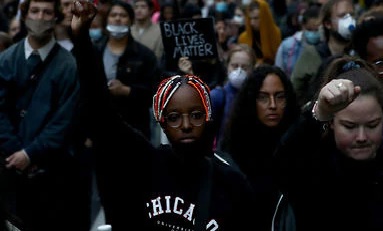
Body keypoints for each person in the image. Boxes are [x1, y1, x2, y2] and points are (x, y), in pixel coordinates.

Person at [70, 1, 258, 230]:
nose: (186, 125)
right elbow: (101, 111)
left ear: (209, 116)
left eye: (196, 115)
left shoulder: (230, 181)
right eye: (174, 117)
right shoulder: (146, 162)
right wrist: (81, 39)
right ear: (162, 122)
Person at [273, 55, 383, 230]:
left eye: (372, 125)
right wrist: (318, 113)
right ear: (332, 123)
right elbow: (282, 166)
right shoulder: (314, 168)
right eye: (350, 126)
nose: (362, 137)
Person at [0, 0, 82, 230]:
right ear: (25, 16)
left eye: (47, 12)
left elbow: (64, 120)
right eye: (34, 11)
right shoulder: (6, 60)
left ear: (56, 17)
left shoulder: (68, 66)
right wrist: (15, 151)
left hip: (52, 171)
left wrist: (31, 153)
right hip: (9, 166)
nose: (40, 17)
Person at [218, 64, 300, 231]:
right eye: (263, 97)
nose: (272, 105)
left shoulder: (298, 141)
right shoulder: (236, 145)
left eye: (280, 97)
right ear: (251, 99)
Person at [290, 0, 356, 108]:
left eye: (352, 14)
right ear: (327, 23)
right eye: (342, 16)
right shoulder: (311, 54)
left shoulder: (358, 54)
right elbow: (295, 92)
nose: (350, 20)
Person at [210, 43, 256, 147]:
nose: (239, 71)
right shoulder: (217, 96)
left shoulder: (258, 97)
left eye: (244, 67)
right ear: (227, 67)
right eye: (235, 66)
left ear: (252, 70)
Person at [238, 0, 282, 65]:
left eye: (256, 18)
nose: (252, 23)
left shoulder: (276, 34)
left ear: (265, 17)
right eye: (250, 18)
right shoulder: (243, 37)